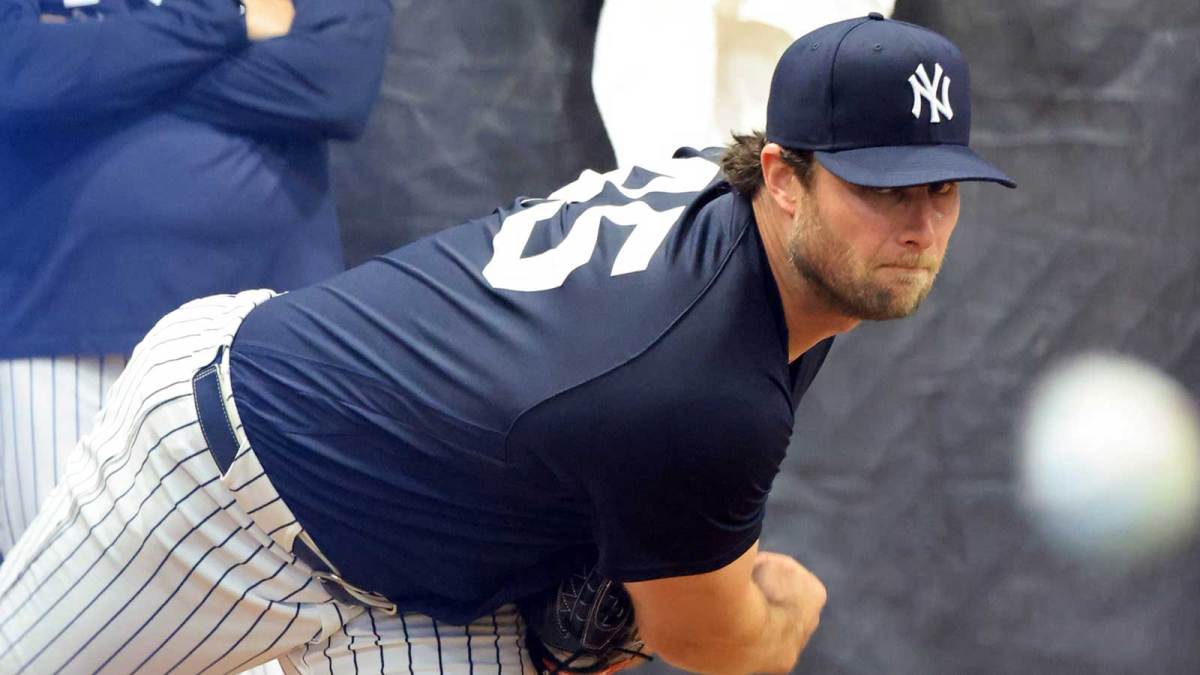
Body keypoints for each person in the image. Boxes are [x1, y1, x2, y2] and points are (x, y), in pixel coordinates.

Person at [0, 14, 1014, 674]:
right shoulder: (706, 382)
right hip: (227, 471)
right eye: (880, 185)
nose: (917, 223)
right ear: (786, 175)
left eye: (938, 186)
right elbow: (714, 641)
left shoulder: (735, 203)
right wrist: (782, 609)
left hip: (430, 589)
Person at [0, 0, 393, 565]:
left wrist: (99, 68)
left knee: (264, 625)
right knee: (50, 620)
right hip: (53, 324)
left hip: (261, 333)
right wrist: (225, 21)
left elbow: (336, 80)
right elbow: (16, 71)